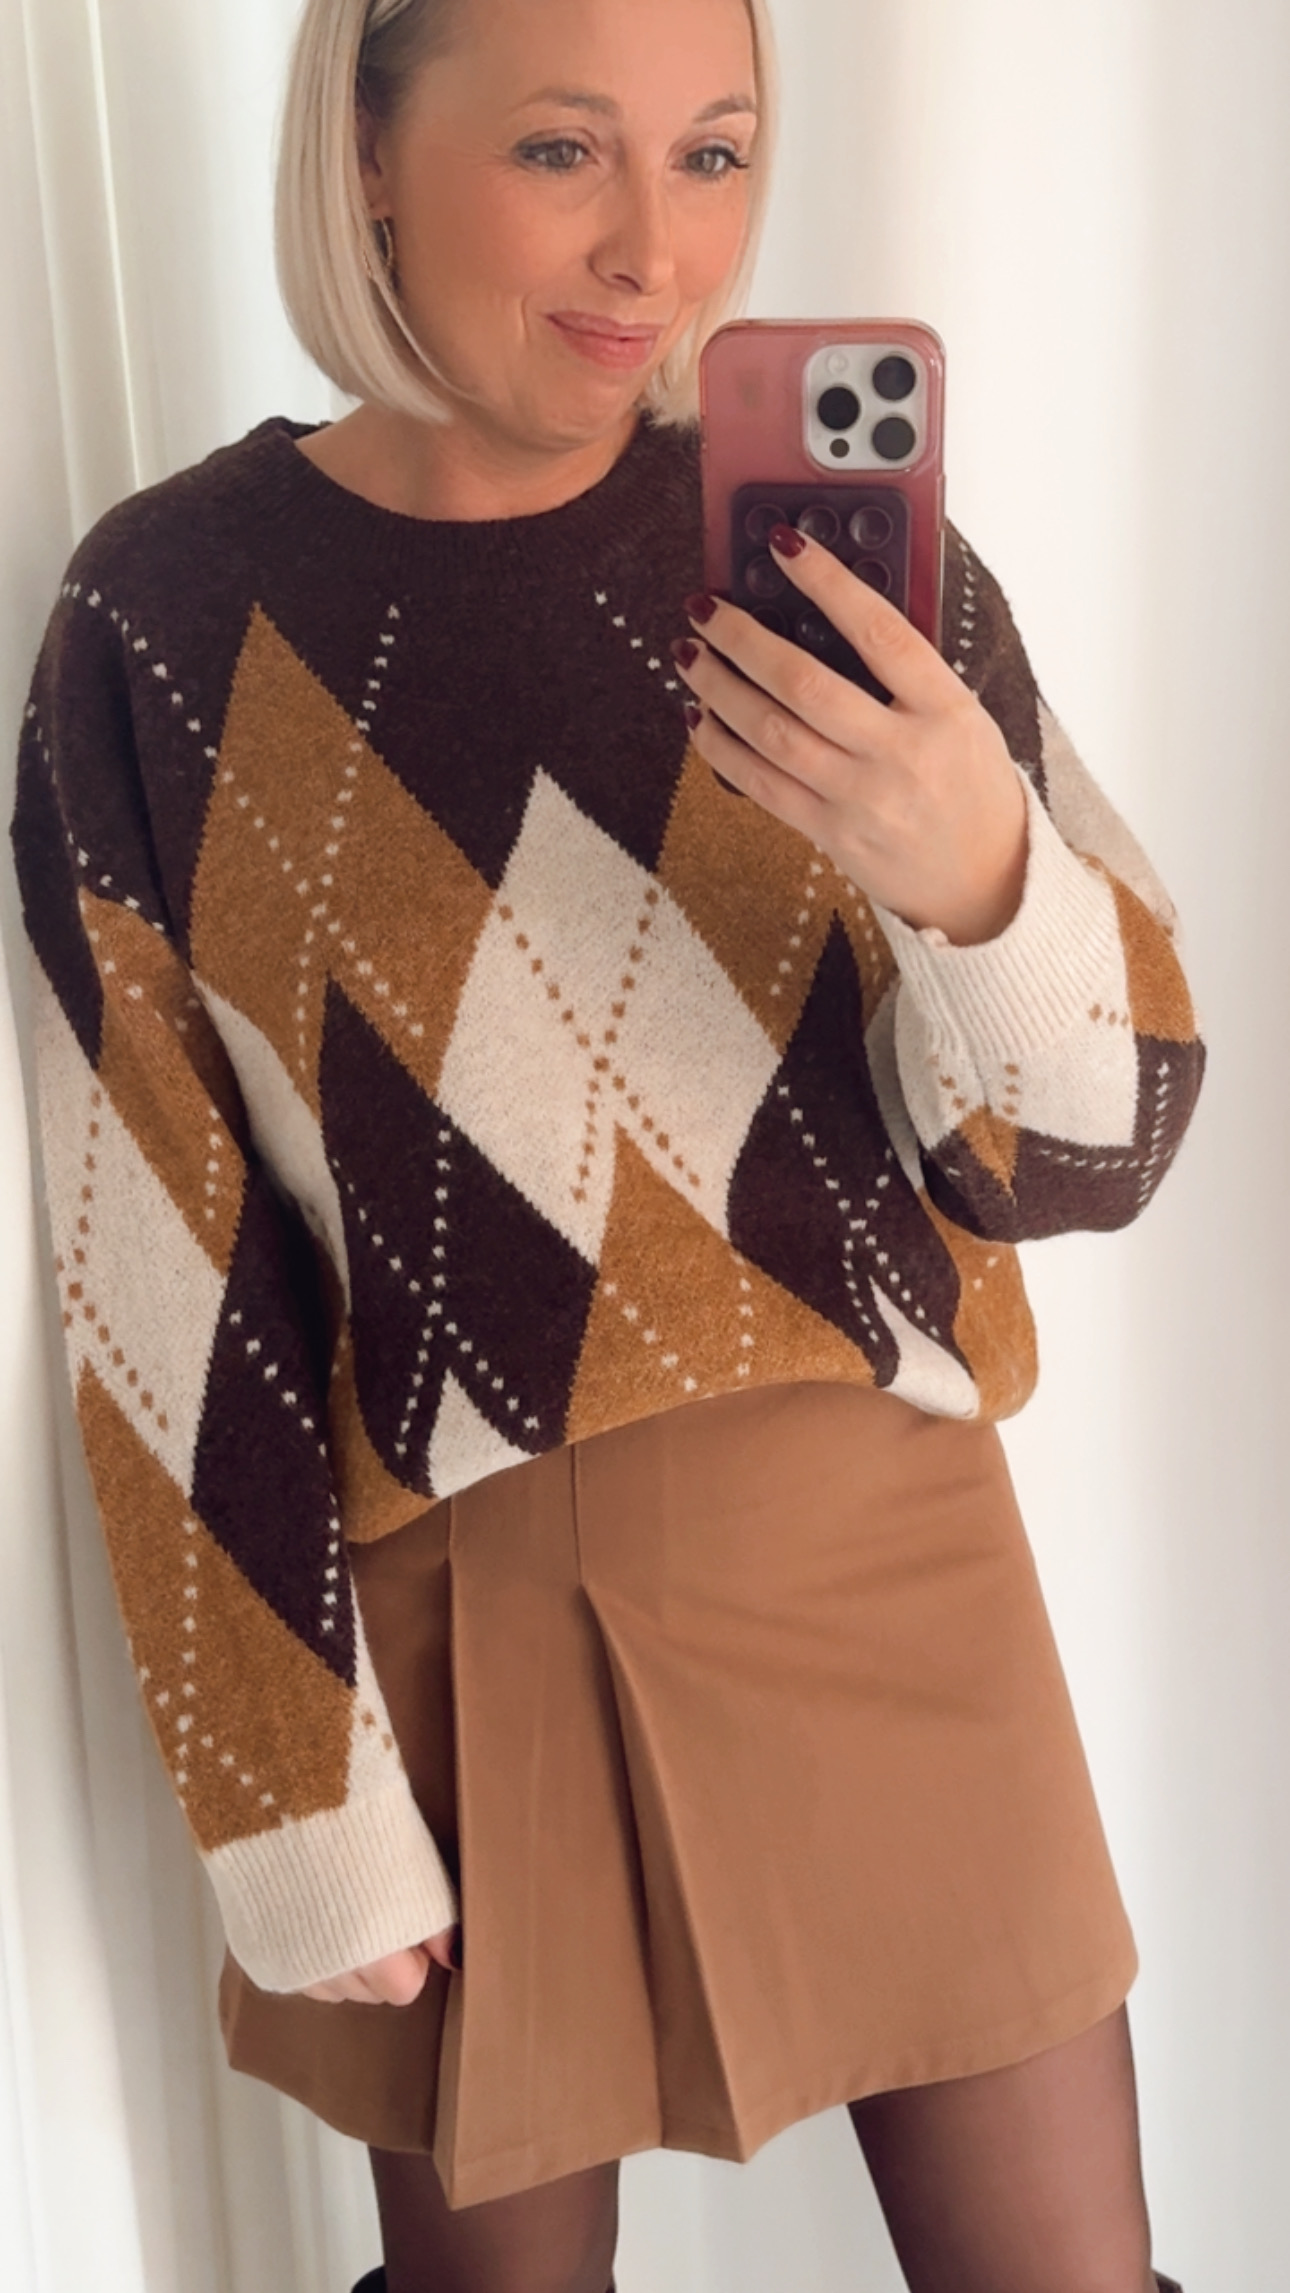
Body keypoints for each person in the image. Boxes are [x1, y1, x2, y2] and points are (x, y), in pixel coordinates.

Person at [10, 0, 1203, 2287]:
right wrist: (281, 1785)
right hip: (456, 1632)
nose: (658, 250)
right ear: (370, 151)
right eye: (566, 151)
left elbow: (1106, 1138)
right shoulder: (160, 628)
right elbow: (155, 1259)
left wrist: (979, 878)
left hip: (887, 1559)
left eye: (715, 152)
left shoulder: (857, 575)